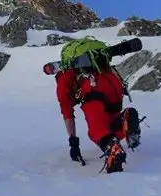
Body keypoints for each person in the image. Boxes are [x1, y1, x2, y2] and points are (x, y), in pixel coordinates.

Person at [54, 37, 142, 173]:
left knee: (96, 132)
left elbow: (67, 113)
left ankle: (113, 150)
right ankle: (125, 117)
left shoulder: (63, 82)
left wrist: (74, 144)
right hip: (113, 84)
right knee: (111, 126)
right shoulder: (91, 63)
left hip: (93, 89)